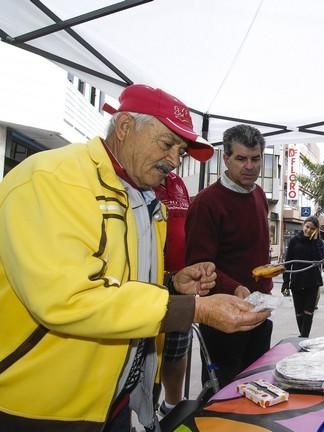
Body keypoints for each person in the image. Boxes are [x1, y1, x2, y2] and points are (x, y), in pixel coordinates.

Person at [0, 84, 271, 432]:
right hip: (40, 408)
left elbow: (120, 285)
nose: (174, 160)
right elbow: (67, 299)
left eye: (181, 150)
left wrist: (172, 283)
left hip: (112, 401)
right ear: (125, 127)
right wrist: (194, 309)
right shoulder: (54, 179)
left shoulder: (142, 197)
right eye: (167, 144)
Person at [185, 124, 273, 388]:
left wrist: (268, 282)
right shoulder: (206, 203)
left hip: (259, 312)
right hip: (222, 320)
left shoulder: (258, 194)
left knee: (257, 388)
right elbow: (197, 265)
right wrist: (234, 287)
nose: (249, 166)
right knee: (222, 394)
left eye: (255, 159)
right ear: (225, 158)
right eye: (241, 158)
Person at [154, 171, 192, 416]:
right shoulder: (137, 178)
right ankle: (144, 409)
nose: (175, 157)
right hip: (148, 279)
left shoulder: (177, 182)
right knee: (146, 352)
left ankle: (171, 406)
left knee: (177, 348)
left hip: (180, 280)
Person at [282, 216, 324, 337]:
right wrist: (285, 282)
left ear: (316, 230)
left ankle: (304, 337)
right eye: (307, 227)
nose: (308, 230)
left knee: (308, 313)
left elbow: (320, 259)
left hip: (312, 282)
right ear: (303, 225)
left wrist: (315, 240)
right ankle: (303, 335)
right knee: (299, 314)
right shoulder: (294, 241)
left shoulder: (318, 242)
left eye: (312, 229)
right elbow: (287, 262)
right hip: (297, 281)